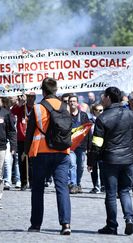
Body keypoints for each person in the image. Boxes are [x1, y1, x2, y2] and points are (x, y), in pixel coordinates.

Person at [88, 87, 133, 235]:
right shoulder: (131, 115)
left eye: (103, 97)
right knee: (125, 191)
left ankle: (112, 226)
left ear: (108, 98)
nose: (102, 99)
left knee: (111, 194)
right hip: (128, 160)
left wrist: (91, 161)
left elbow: (97, 143)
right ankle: (129, 219)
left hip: (110, 160)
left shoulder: (103, 118)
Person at [24, 78, 72, 235]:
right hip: (62, 153)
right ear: (56, 90)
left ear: (43, 91)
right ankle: (66, 224)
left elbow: (30, 132)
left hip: (41, 152)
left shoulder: (38, 108)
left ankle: (36, 225)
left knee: (37, 189)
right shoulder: (65, 107)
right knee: (62, 188)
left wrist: (25, 151)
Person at [11, 92, 36, 190]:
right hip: (22, 139)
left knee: (32, 162)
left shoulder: (36, 108)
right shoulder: (21, 107)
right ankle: (24, 182)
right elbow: (13, 112)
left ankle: (32, 182)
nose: (30, 99)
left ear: (34, 98)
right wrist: (20, 103)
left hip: (33, 139)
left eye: (32, 97)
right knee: (22, 162)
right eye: (28, 96)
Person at [68, 94, 91, 194]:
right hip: (70, 145)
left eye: (74, 101)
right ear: (68, 103)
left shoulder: (83, 115)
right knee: (72, 164)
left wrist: (89, 146)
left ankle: (78, 183)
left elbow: (88, 130)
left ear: (77, 103)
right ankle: (72, 184)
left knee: (80, 166)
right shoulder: (66, 115)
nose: (72, 103)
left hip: (81, 145)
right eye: (70, 101)